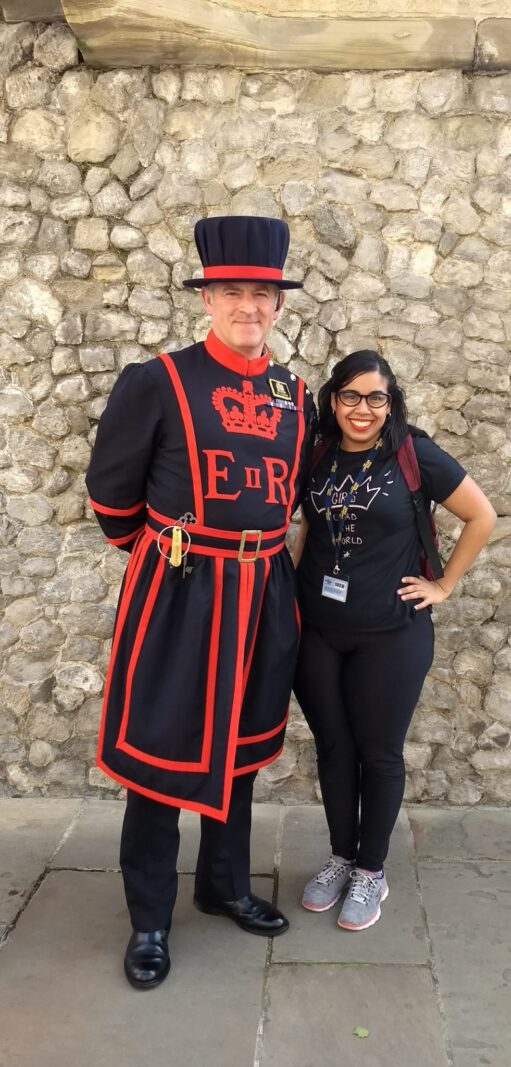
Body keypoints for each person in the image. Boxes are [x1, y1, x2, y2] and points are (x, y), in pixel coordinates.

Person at [86, 215, 315, 988]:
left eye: (262, 293)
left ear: (279, 305)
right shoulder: (158, 380)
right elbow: (112, 496)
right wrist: (174, 561)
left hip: (263, 591)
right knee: (159, 756)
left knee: (243, 750)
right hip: (182, 591)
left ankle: (223, 884)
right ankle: (150, 914)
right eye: (233, 292)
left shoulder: (296, 392)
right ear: (207, 298)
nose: (249, 305)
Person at [292, 350, 496, 931]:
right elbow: (311, 525)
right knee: (333, 748)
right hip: (320, 633)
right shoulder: (319, 455)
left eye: (375, 397)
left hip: (391, 636)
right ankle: (340, 857)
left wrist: (443, 586)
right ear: (334, 400)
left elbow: (481, 516)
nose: (363, 408)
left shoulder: (413, 454)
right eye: (351, 396)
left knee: (378, 754)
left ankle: (371, 871)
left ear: (391, 401)